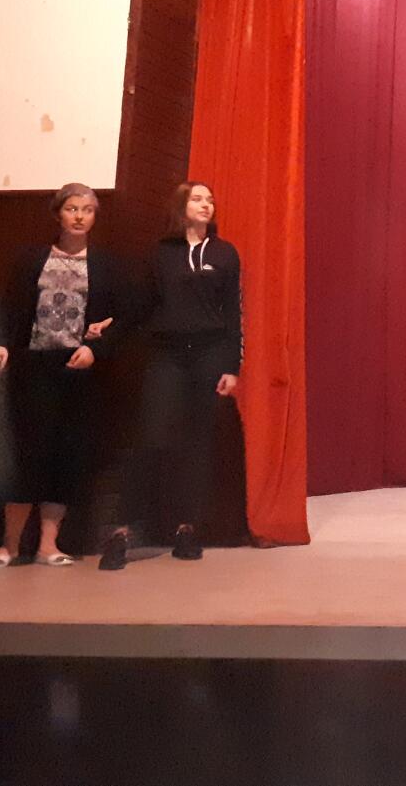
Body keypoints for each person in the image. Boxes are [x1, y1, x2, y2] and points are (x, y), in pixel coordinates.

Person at [0, 183, 132, 568]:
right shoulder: (33, 258)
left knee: (66, 456)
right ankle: (10, 545)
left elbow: (124, 319)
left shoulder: (107, 265)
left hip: (77, 371)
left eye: (87, 210)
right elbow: (9, 308)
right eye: (72, 209)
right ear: (58, 214)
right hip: (32, 367)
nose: (79, 216)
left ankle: (49, 546)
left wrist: (97, 347)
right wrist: (0, 344)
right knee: (26, 455)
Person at [99, 182, 243, 570]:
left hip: (209, 354)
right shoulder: (161, 254)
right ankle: (121, 532)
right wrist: (110, 328)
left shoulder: (225, 253)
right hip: (168, 355)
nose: (206, 205)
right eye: (197, 199)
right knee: (151, 436)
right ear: (181, 207)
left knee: (197, 443)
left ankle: (186, 530)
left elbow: (233, 314)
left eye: (210, 200)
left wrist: (232, 366)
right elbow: (140, 304)